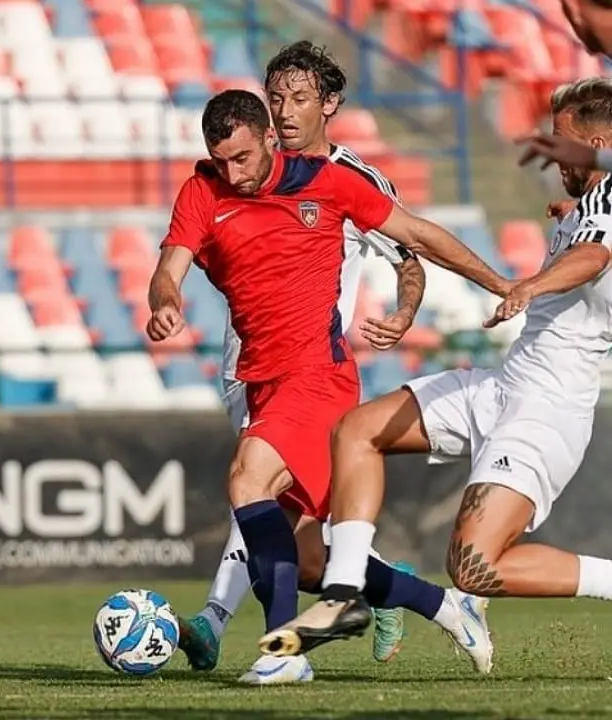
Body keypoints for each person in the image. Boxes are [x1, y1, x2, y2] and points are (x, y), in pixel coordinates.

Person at [147, 88, 508, 684]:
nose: (232, 173)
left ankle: (285, 655)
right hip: (260, 380)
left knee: (247, 477)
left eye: (241, 158)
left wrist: (501, 283)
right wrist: (165, 302)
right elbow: (169, 268)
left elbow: (417, 236)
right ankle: (448, 606)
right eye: (220, 160)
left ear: (268, 137)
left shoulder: (329, 183)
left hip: (318, 375)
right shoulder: (202, 191)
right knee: (309, 560)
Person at [258, 76, 612, 662]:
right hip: (505, 385)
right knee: (356, 430)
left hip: (548, 410)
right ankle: (344, 591)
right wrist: (570, 211)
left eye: (564, 142)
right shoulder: (590, 202)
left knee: (473, 566)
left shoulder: (607, 197)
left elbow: (594, 256)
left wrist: (531, 284)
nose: (556, 155)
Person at [176, 41, 424, 685]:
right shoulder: (250, 168)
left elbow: (409, 257)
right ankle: (388, 591)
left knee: (253, 486)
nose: (286, 111)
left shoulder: (348, 180)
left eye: (301, 99)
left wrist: (402, 313)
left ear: (330, 105)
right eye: (277, 98)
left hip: (315, 366)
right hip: (249, 360)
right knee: (295, 538)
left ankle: (224, 624)